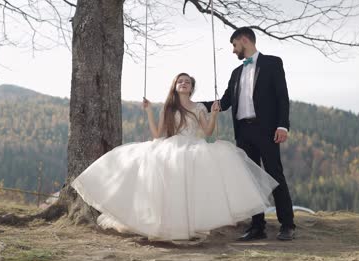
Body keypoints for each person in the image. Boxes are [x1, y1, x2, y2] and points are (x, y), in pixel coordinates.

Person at [71, 72, 278, 241]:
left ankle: (187, 224)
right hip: (170, 145)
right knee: (158, 170)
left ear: (192, 87)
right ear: (174, 86)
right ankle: (166, 224)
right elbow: (157, 134)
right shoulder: (168, 107)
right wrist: (149, 111)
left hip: (192, 145)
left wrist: (214, 114)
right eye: (180, 81)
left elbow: (207, 132)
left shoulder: (198, 108)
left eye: (187, 82)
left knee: (206, 167)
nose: (184, 83)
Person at [202, 27, 296, 241]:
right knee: (251, 180)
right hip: (243, 133)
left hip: (267, 131)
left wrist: (283, 126)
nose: (234, 51)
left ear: (244, 40)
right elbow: (223, 103)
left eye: (235, 45)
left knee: (274, 174)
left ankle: (287, 225)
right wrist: (191, 105)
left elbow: (282, 97)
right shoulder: (236, 73)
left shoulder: (273, 63)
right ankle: (257, 227)